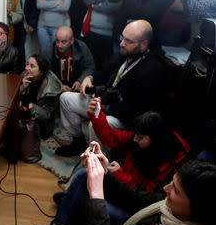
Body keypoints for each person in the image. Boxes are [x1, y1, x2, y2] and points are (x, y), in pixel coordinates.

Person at [34, 147, 215, 225]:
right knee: (83, 177)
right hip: (132, 218)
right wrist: (105, 173)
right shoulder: (167, 206)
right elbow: (134, 196)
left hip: (126, 221)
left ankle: (73, 203)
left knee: (87, 199)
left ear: (196, 210)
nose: (166, 189)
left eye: (175, 190)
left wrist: (96, 194)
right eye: (171, 183)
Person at [55, 20, 168, 157]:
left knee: (97, 123)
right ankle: (78, 143)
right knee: (66, 98)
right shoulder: (125, 54)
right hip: (105, 102)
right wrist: (89, 78)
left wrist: (104, 107)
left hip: (124, 117)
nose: (121, 44)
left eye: (128, 41)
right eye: (122, 38)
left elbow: (137, 110)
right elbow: (104, 73)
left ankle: (100, 161)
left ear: (144, 44)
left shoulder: (153, 70)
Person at [19, 54, 62, 163]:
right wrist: (22, 88)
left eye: (32, 66)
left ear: (41, 72)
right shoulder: (25, 76)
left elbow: (47, 115)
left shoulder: (51, 88)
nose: (27, 68)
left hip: (42, 126)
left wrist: (32, 108)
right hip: (26, 112)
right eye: (27, 64)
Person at [51, 26, 95, 93]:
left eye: (63, 42)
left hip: (78, 85)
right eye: (57, 41)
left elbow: (90, 67)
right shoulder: (49, 51)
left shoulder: (82, 47)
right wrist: (59, 86)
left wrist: (80, 81)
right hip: (58, 86)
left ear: (72, 41)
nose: (59, 45)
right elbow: (47, 73)